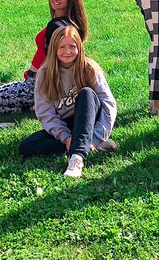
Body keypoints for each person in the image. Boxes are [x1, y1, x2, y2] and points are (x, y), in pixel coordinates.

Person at [19, 26, 117, 178]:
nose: (67, 51)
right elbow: (44, 112)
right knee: (26, 146)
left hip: (88, 118)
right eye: (62, 47)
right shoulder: (45, 73)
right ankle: (86, 144)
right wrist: (66, 138)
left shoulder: (90, 68)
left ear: (80, 47)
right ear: (54, 49)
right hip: (66, 124)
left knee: (86, 94)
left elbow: (108, 104)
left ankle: (77, 158)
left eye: (72, 46)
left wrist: (98, 135)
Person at [0, 0, 88, 114]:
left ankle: (34, 108)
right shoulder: (67, 24)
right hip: (33, 81)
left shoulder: (59, 28)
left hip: (37, 85)